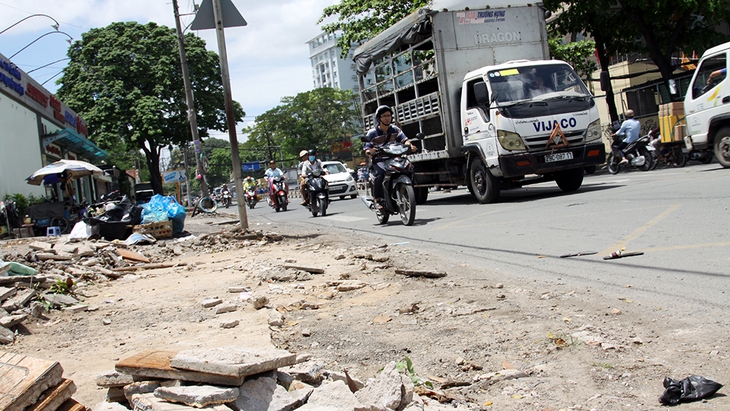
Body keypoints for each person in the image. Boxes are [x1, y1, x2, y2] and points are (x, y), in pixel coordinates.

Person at [364, 105, 416, 209]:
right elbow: (367, 149)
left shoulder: (396, 129)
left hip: (395, 158)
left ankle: (410, 193)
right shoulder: (372, 133)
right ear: (379, 118)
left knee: (409, 169)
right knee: (380, 175)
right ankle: (377, 200)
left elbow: (404, 140)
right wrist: (370, 151)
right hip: (380, 160)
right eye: (384, 116)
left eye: (389, 115)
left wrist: (410, 145)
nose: (387, 118)